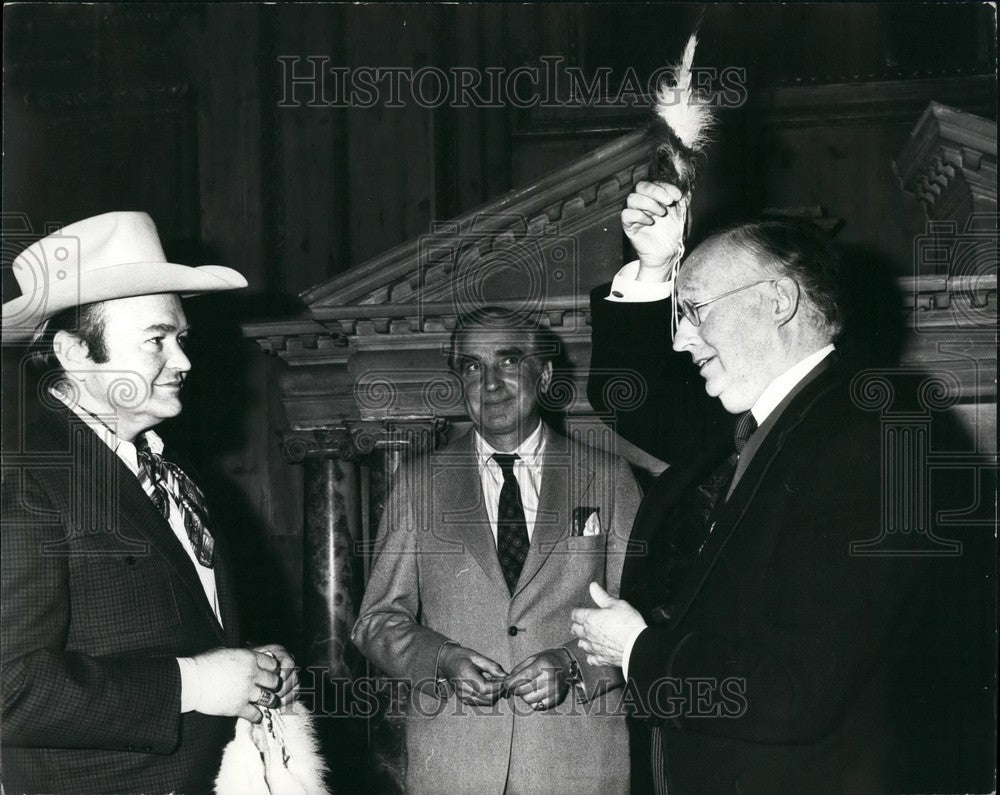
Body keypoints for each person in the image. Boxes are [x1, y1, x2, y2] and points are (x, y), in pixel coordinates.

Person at [573, 183, 994, 793]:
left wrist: (639, 651)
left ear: (777, 300)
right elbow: (633, 399)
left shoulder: (874, 435)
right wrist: (657, 268)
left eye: (694, 310)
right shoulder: (787, 418)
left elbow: (796, 686)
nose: (679, 338)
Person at [1, 211, 300, 794]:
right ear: (76, 354)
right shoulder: (27, 480)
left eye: (180, 339)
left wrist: (247, 667)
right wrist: (194, 683)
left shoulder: (162, 468)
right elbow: (9, 689)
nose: (184, 362)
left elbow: (167, 633)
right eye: (156, 341)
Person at [352, 307, 642, 794]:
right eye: (471, 366)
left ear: (544, 373)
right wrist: (441, 659)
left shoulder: (609, 479)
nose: (489, 382)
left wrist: (572, 666)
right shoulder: (421, 484)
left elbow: (646, 615)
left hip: (578, 766)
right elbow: (376, 622)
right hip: (455, 767)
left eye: (508, 360)